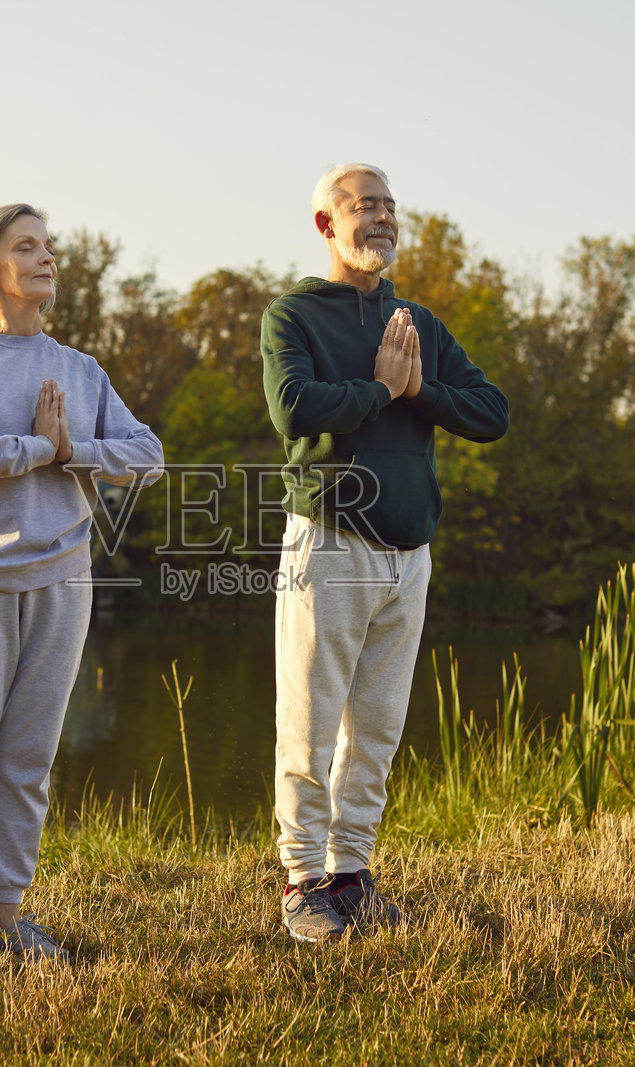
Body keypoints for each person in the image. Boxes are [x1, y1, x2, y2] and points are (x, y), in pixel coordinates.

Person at [261, 164, 509, 942]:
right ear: (326, 224)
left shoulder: (418, 322)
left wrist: (417, 389)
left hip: (410, 551)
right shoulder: (294, 314)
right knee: (309, 722)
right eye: (364, 205)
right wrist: (377, 390)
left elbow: (491, 411)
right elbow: (293, 407)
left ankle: (351, 874)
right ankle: (303, 880)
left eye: (390, 207)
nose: (382, 218)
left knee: (376, 726)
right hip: (330, 540)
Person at [0, 204, 163, 967]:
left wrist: (72, 448)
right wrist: (33, 448)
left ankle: (9, 915)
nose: (46, 257)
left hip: (62, 581)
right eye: (26, 247)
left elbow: (147, 453)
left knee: (28, 758)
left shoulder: (82, 370)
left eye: (48, 246)